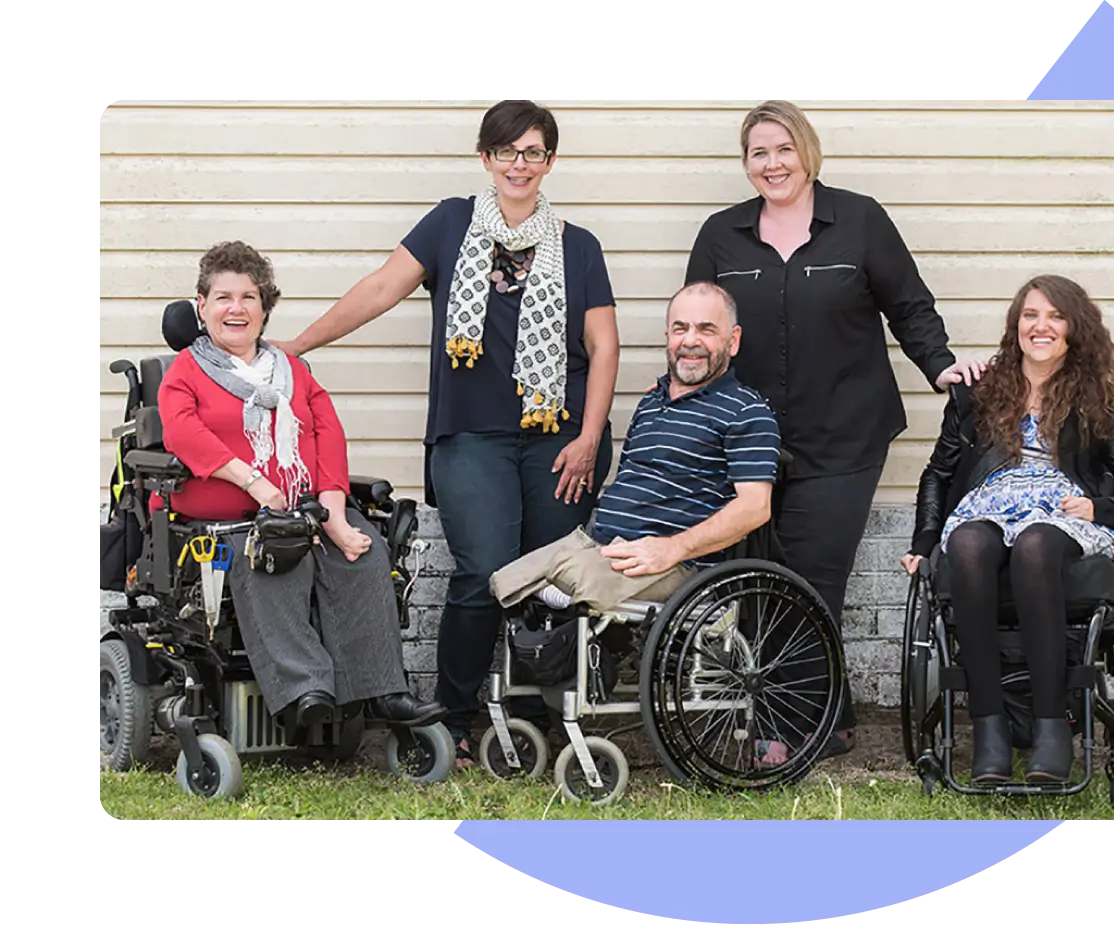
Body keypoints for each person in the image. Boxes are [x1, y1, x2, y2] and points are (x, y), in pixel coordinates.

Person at [273, 100, 620, 767]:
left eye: (534, 152)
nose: (520, 163)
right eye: (507, 151)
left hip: (562, 441)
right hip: (471, 436)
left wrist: (589, 436)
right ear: (485, 157)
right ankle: (455, 717)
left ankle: (530, 714)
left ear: (550, 161)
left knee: (549, 579)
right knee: (483, 571)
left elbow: (602, 348)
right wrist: (297, 345)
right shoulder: (450, 223)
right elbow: (379, 289)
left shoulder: (579, 246)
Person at [683, 100, 985, 759]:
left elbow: (910, 306)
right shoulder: (721, 235)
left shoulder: (860, 220)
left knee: (815, 573)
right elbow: (700, 328)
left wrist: (939, 368)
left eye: (783, 149)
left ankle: (789, 730)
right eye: (758, 152)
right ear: (746, 163)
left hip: (845, 430)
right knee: (760, 571)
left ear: (807, 152)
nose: (773, 163)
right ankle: (831, 715)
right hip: (749, 438)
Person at [156, 240, 447, 733]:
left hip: (305, 504)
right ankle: (304, 691)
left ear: (265, 309)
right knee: (277, 549)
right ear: (201, 306)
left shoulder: (290, 370)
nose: (237, 308)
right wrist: (255, 483)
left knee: (366, 552)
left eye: (249, 297)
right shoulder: (185, 371)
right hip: (231, 516)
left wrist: (333, 509)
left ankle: (383, 691)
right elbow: (183, 432)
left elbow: (327, 432)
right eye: (223, 297)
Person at [901, 274, 1114, 783]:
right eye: (1030, 315)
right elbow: (937, 473)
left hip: (1064, 513)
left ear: (1075, 329)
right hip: (990, 504)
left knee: (1036, 546)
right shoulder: (978, 391)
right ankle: (989, 730)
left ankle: (1051, 728)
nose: (1040, 327)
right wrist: (925, 543)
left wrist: (1098, 509)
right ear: (1015, 324)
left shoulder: (1098, 403)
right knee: (970, 544)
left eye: (1055, 316)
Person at [488, 281, 779, 618]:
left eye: (706, 329)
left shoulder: (746, 411)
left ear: (734, 340)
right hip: (604, 549)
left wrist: (672, 549)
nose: (690, 341)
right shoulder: (651, 403)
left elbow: (755, 508)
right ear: (667, 336)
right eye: (680, 328)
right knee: (504, 579)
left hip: (676, 565)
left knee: (569, 588)